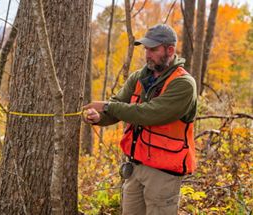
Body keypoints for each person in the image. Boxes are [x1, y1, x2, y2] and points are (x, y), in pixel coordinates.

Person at [83, 24, 197, 215]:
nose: (147, 54)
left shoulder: (184, 84)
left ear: (170, 50)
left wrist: (107, 107)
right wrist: (98, 117)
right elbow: (116, 106)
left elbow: (149, 114)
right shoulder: (138, 77)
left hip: (163, 173)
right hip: (135, 168)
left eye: (153, 49)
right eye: (146, 49)